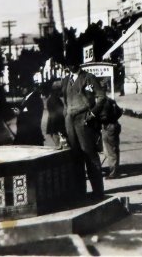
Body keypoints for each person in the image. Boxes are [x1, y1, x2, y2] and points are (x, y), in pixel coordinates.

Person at [62, 61, 106, 197]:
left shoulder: (88, 77)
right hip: (70, 122)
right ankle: (80, 192)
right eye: (68, 61)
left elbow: (101, 97)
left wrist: (92, 114)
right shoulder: (65, 80)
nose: (71, 64)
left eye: (73, 60)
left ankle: (98, 192)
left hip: (84, 121)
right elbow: (64, 101)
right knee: (75, 157)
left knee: (90, 155)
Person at [100, 97, 123, 179]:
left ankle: (114, 173)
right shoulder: (110, 100)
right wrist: (114, 118)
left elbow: (104, 117)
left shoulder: (103, 102)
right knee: (113, 149)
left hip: (109, 127)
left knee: (111, 151)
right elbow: (120, 111)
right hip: (114, 125)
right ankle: (115, 170)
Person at [45, 81, 67, 149]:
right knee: (60, 146)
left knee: (59, 145)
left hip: (53, 125)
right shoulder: (55, 99)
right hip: (57, 126)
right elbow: (58, 114)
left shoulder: (52, 98)